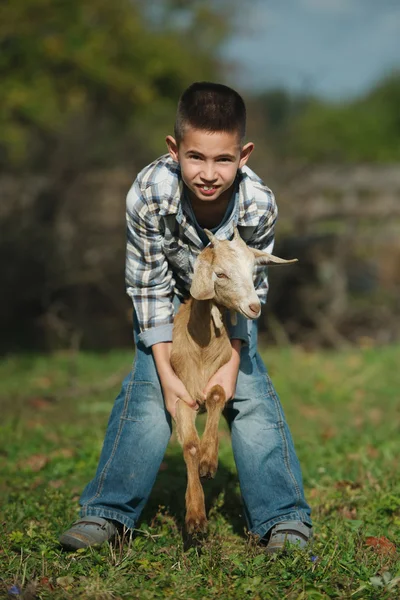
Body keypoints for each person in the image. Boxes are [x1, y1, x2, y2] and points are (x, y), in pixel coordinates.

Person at [59, 82, 312, 553]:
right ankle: (108, 514)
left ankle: (284, 519)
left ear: (244, 155)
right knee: (147, 396)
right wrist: (164, 367)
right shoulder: (150, 193)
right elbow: (148, 285)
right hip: (166, 302)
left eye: (223, 160)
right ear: (174, 150)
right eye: (197, 157)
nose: (209, 173)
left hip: (227, 308)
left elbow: (251, 288)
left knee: (251, 397)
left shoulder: (258, 203)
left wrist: (233, 360)